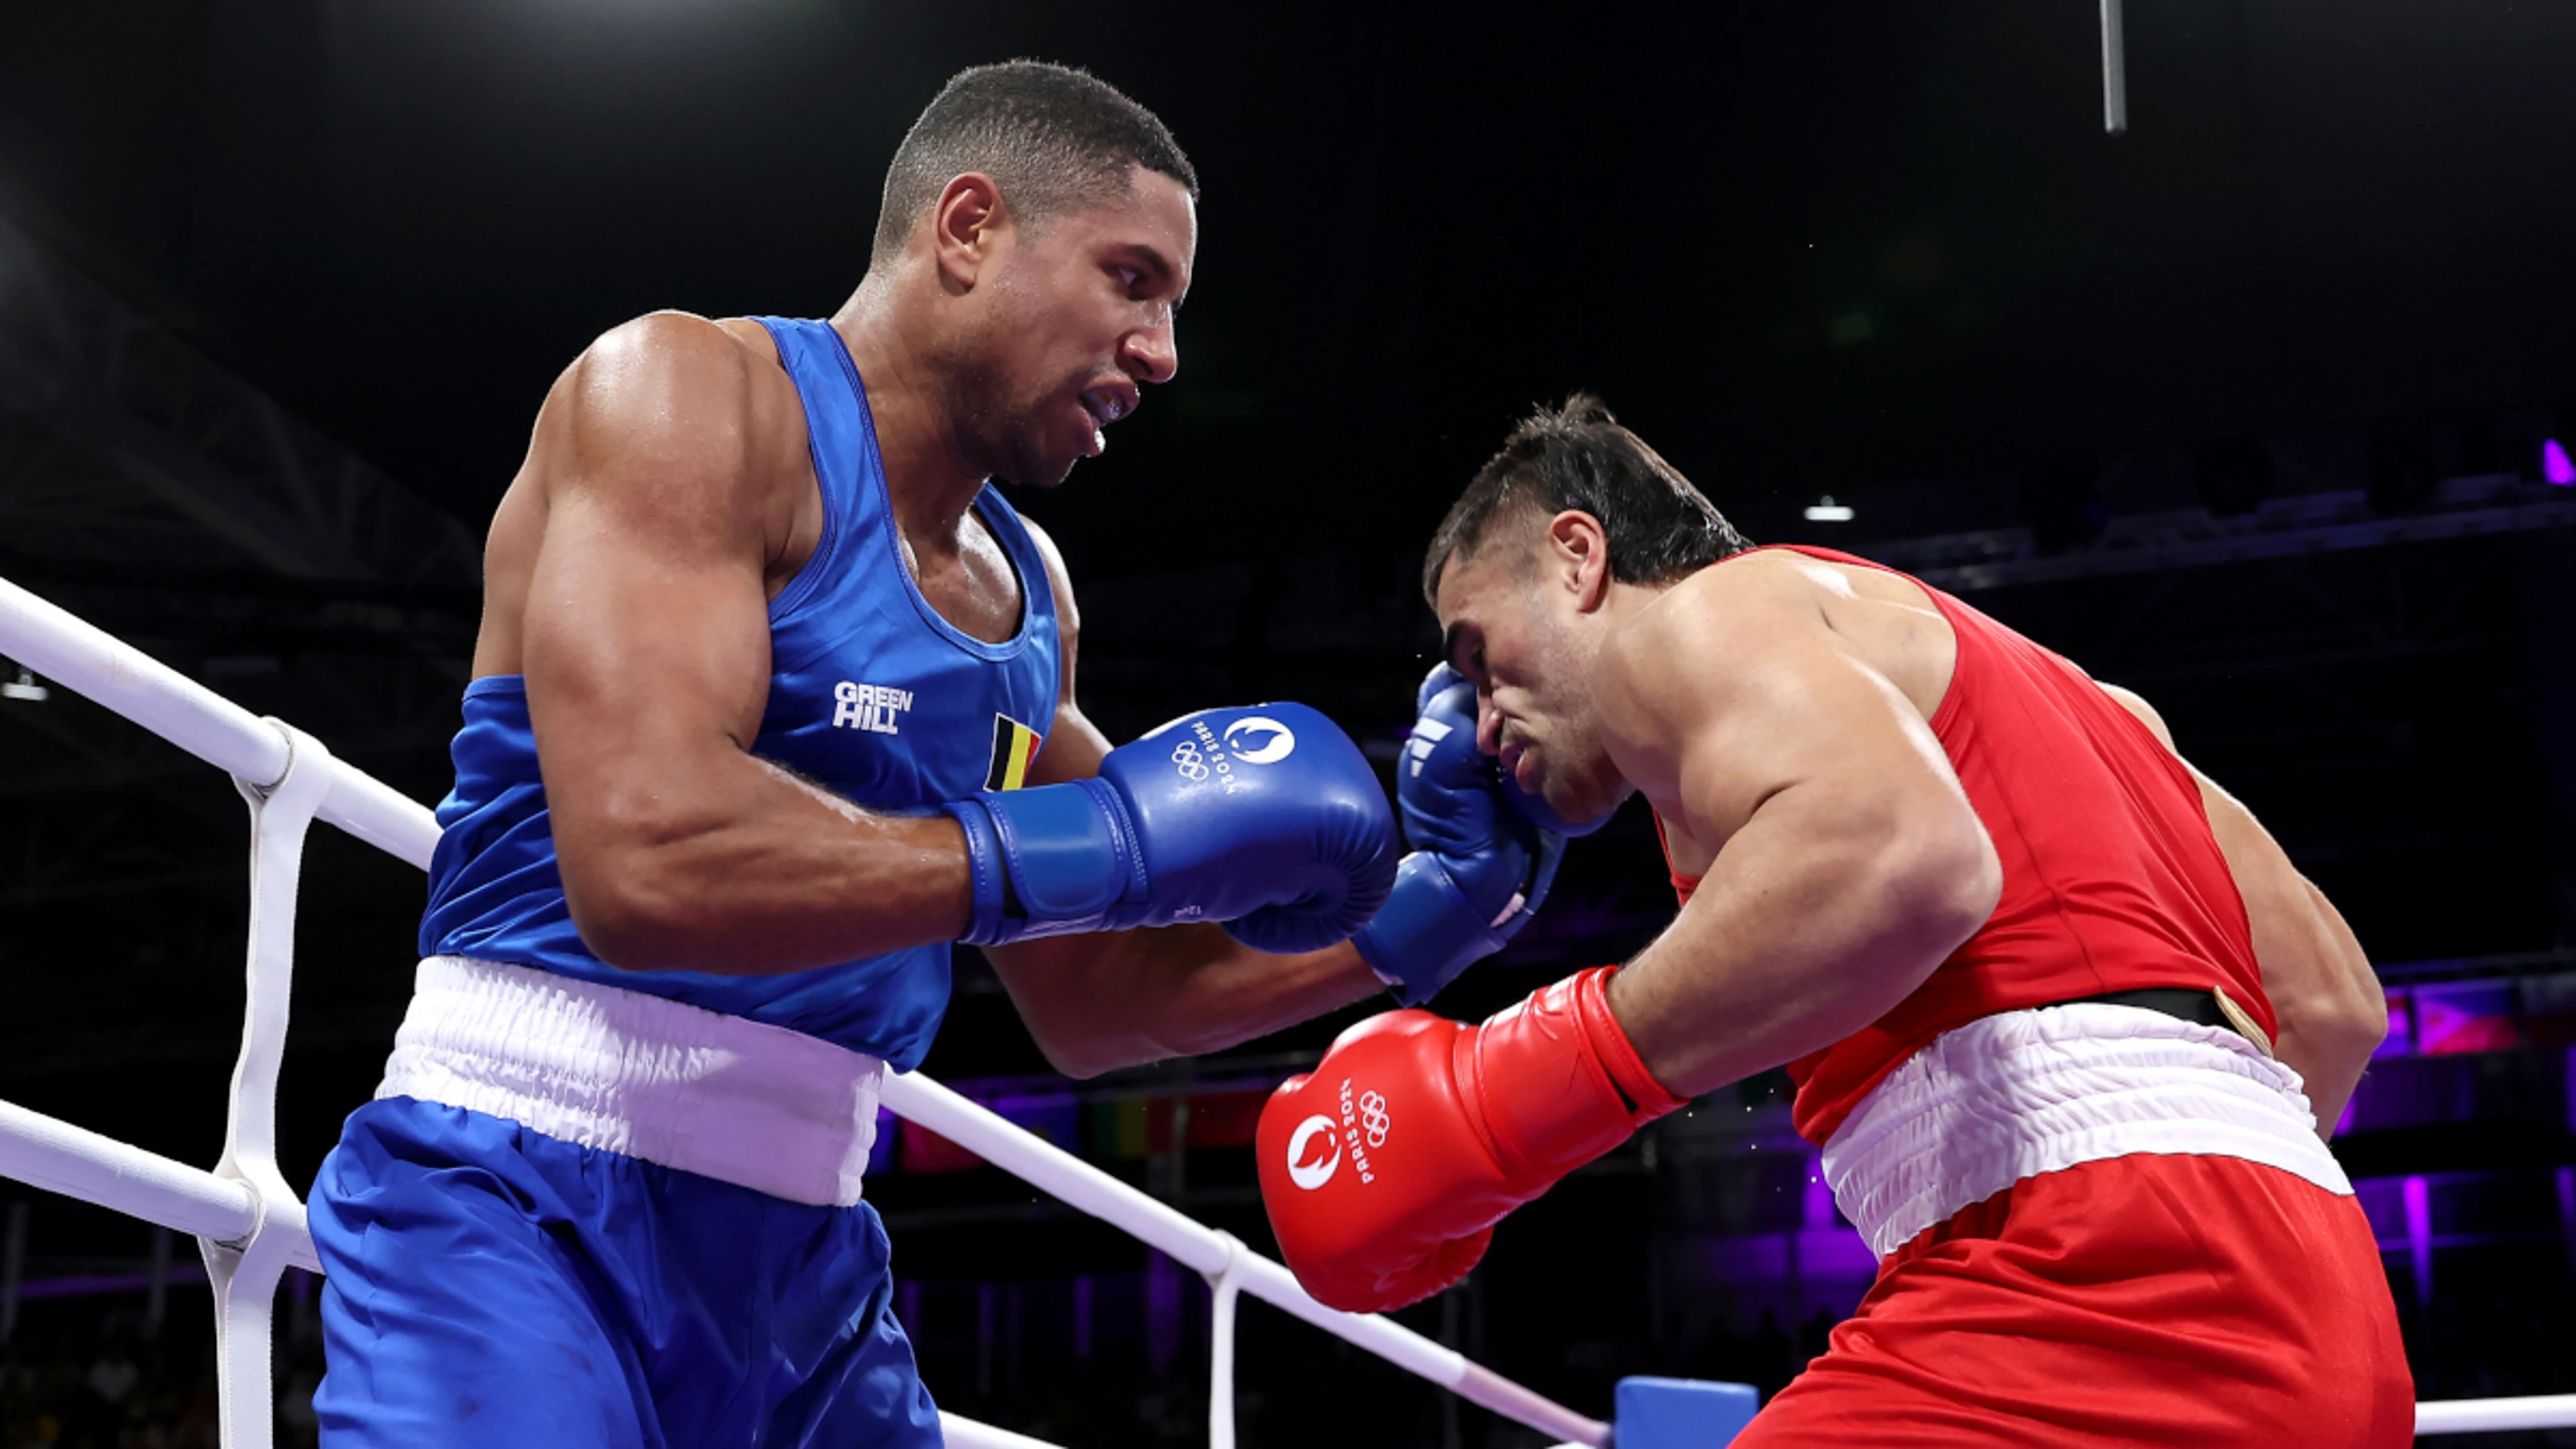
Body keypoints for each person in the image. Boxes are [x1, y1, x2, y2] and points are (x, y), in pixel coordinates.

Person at [304, 62, 1554, 1448]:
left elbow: (1092, 990)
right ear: (967, 230)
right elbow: (646, 855)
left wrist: (1417, 919)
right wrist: (1046, 852)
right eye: (1130, 279)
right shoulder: (688, 401)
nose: (1162, 352)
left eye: (1173, 306)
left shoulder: (1031, 608)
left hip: (807, 1266)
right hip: (513, 1192)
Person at [1257, 395, 2416, 1446]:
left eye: (1478, 654)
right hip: (2324, 1301)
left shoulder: (1687, 625)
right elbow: (2333, 1010)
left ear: (1577, 556)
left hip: (2101, 1281)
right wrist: (2203, 1193)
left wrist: (1506, 1106)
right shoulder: (2099, 708)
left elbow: (1901, 856)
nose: (1476, 721)